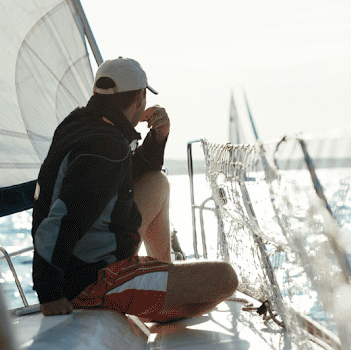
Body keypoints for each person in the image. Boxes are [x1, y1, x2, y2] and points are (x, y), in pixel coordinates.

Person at [31, 57, 238, 322]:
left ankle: (162, 275)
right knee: (224, 279)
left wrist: (157, 136)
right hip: (93, 280)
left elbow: (130, 172)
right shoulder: (105, 147)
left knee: (156, 182)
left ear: (96, 94)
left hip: (93, 257)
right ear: (140, 98)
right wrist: (50, 294)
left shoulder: (82, 124)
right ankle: (161, 300)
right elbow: (61, 220)